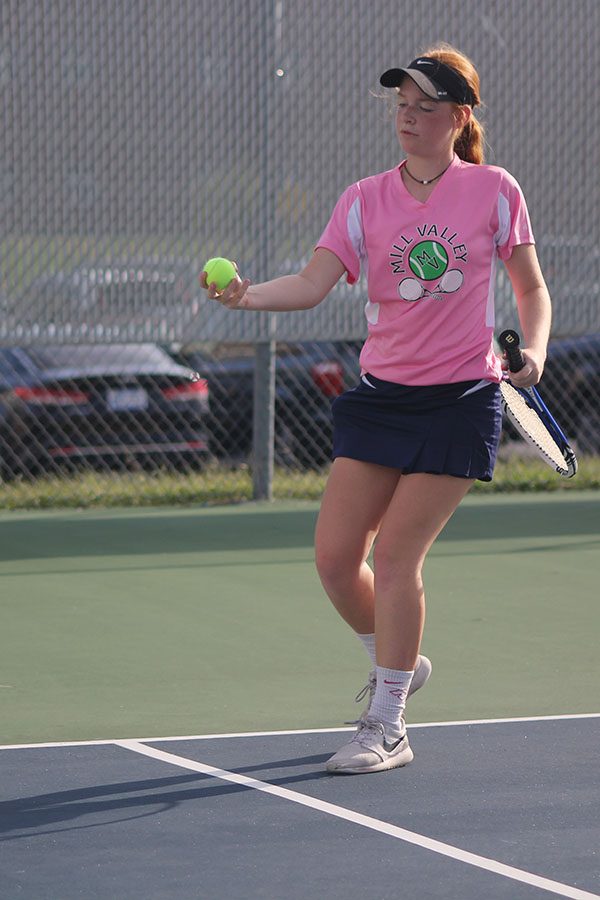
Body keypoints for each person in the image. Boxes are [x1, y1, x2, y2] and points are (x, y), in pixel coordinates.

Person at [200, 43, 551, 775]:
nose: (409, 118)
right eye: (401, 106)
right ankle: (399, 660)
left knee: (394, 557)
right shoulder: (362, 199)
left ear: (458, 118)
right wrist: (246, 296)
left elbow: (532, 291)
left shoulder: (494, 190)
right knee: (335, 560)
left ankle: (387, 722)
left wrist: (535, 351)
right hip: (381, 398)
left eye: (425, 108)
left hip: (460, 399)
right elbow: (309, 283)